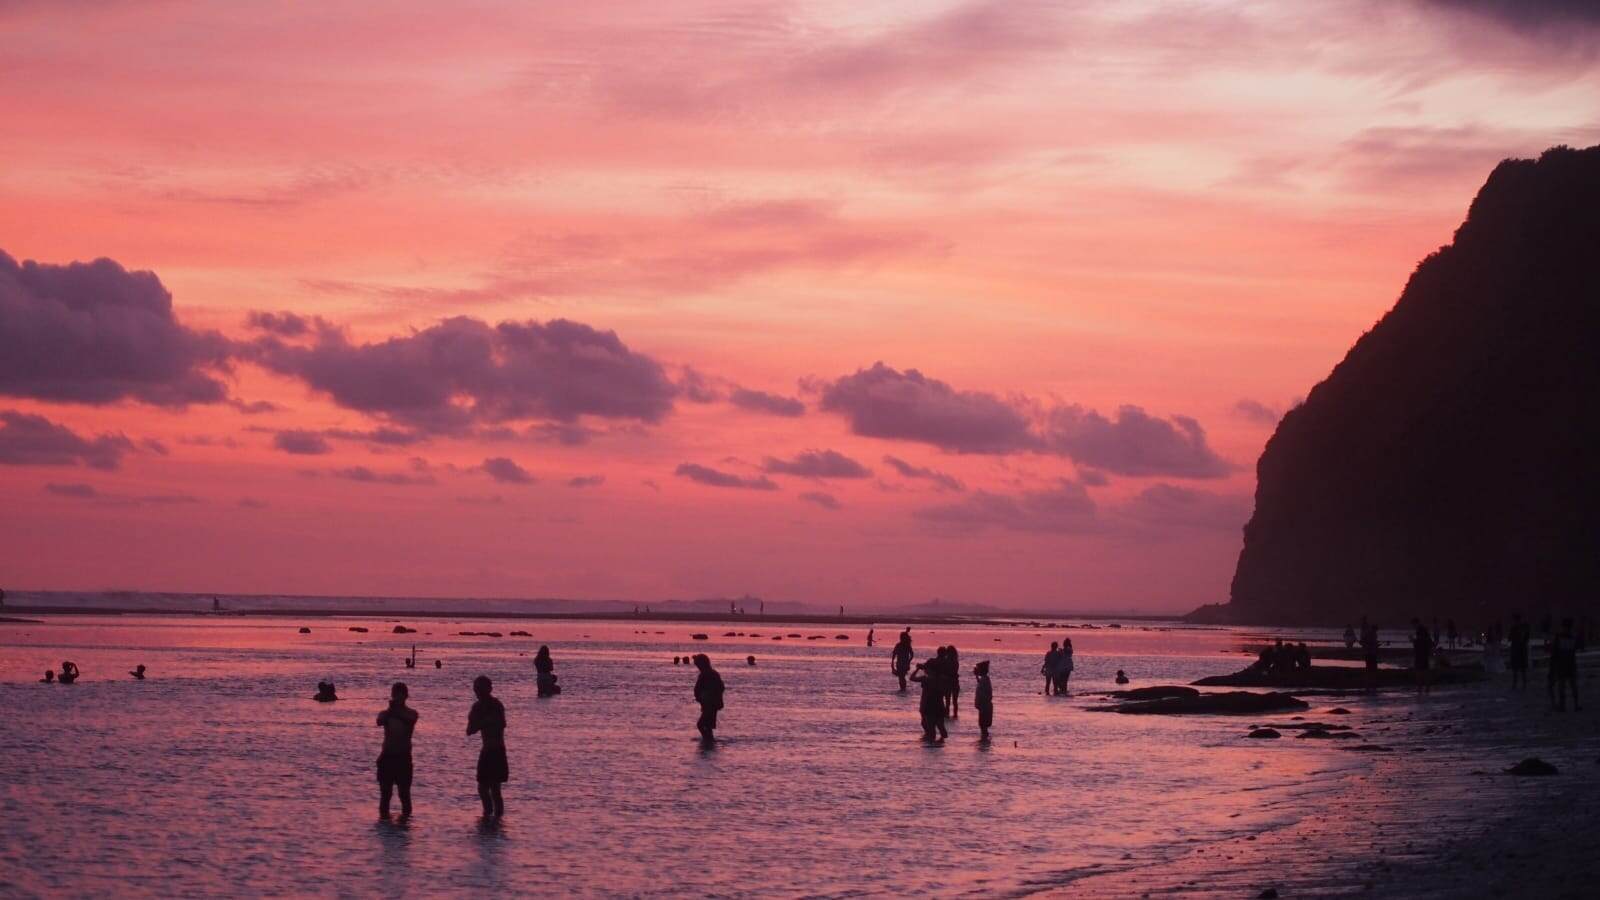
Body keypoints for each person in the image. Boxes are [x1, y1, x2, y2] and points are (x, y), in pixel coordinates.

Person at [467, 675, 507, 817]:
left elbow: (502, 724)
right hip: (486, 751)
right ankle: (487, 814)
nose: (478, 692)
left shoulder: (496, 705)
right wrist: (480, 721)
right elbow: (470, 730)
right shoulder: (477, 707)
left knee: (495, 789)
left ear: (489, 689)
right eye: (476, 689)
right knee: (482, 788)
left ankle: (497, 817)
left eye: (480, 689)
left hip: (497, 751)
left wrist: (484, 721)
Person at [376, 682, 418, 819]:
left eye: (400, 695)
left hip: (403, 758)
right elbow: (379, 721)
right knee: (385, 794)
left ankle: (405, 824)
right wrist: (391, 710)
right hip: (387, 757)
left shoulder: (411, 713)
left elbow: (410, 721)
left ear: (406, 696)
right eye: (395, 695)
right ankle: (384, 823)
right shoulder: (386, 714)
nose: (397, 698)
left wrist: (396, 712)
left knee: (404, 794)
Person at [910, 657, 946, 743]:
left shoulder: (926, 679)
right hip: (939, 705)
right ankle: (941, 742)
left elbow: (912, 678)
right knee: (940, 725)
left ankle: (932, 744)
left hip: (928, 705)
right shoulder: (941, 679)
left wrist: (917, 669)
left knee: (929, 727)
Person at [692, 654, 725, 743]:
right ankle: (709, 741)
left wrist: (709, 696)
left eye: (698, 665)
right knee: (707, 725)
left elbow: (720, 687)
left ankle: (708, 740)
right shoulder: (708, 674)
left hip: (711, 704)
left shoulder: (710, 674)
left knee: (701, 724)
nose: (698, 667)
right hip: (707, 703)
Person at [1550, 619, 1581, 711]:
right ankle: (1575, 704)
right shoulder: (1572, 637)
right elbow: (1576, 648)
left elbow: (1555, 651)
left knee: (1562, 685)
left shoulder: (1559, 637)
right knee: (1572, 684)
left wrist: (1553, 663)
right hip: (1570, 663)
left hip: (1562, 664)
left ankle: (1563, 705)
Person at [1410, 619, 1434, 695]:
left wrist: (1412, 640)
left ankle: (1421, 687)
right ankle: (1426, 687)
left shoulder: (1420, 632)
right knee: (1424, 671)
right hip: (1424, 654)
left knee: (1420, 671)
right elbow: (1429, 643)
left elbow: (1418, 643)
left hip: (1420, 654)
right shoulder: (1424, 633)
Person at [1508, 614, 1531, 690]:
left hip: (1518, 650)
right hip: (1520, 650)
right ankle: (1521, 684)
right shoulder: (1521, 628)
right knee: (1520, 669)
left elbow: (1510, 638)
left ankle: (1518, 684)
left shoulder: (1516, 628)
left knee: (1518, 669)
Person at [973, 660, 993, 741]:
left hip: (984, 707)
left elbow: (985, 693)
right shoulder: (984, 679)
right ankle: (984, 740)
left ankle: (984, 740)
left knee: (983, 726)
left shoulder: (985, 680)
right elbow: (981, 685)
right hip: (984, 707)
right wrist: (976, 676)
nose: (977, 671)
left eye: (978, 669)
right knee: (983, 726)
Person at [944, 646, 961, 717]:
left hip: (949, 682)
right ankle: (954, 715)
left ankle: (948, 714)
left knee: (948, 701)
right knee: (954, 701)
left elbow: (948, 672)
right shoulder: (955, 661)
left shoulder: (947, 661)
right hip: (954, 682)